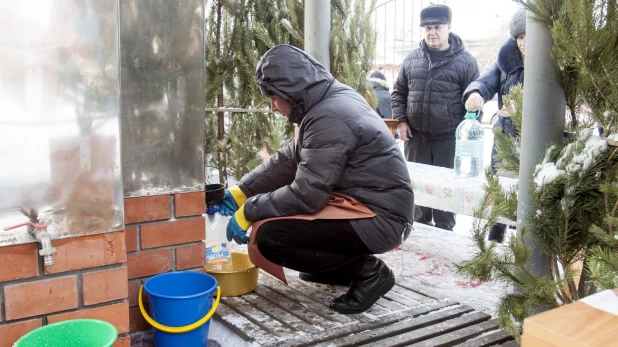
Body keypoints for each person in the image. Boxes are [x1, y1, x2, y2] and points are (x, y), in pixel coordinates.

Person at [216, 44, 415, 314]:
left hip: (381, 218)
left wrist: (249, 210)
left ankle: (369, 272)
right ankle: (336, 269)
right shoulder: (327, 101)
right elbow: (290, 158)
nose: (273, 107)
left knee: (272, 236)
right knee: (277, 224)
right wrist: (242, 191)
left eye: (274, 97)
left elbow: (306, 195)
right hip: (372, 206)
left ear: (292, 90)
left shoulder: (329, 115)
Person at [391, 4, 480, 231]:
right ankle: (418, 230)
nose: (432, 32)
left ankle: (444, 232)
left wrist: (469, 135)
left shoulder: (466, 62)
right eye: (427, 28)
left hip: (449, 140)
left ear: (449, 27)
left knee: (445, 196)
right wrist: (401, 120)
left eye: (437, 27)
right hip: (416, 138)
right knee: (416, 193)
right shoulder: (412, 59)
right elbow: (399, 92)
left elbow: (475, 101)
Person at [462, 8, 526, 242]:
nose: (524, 42)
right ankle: (493, 247)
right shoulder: (506, 61)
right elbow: (485, 82)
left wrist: (524, 110)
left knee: (529, 205)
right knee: (501, 200)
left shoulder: (551, 64)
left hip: (537, 147)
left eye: (529, 36)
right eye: (519, 37)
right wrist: (476, 93)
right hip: (506, 141)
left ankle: (526, 256)